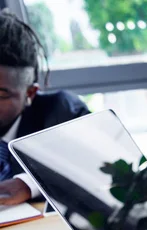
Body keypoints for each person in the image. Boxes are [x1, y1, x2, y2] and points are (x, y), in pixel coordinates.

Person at [0, 10, 89, 206]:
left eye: (1, 95)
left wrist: (28, 184)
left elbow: (96, 167)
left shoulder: (62, 112)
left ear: (30, 93)